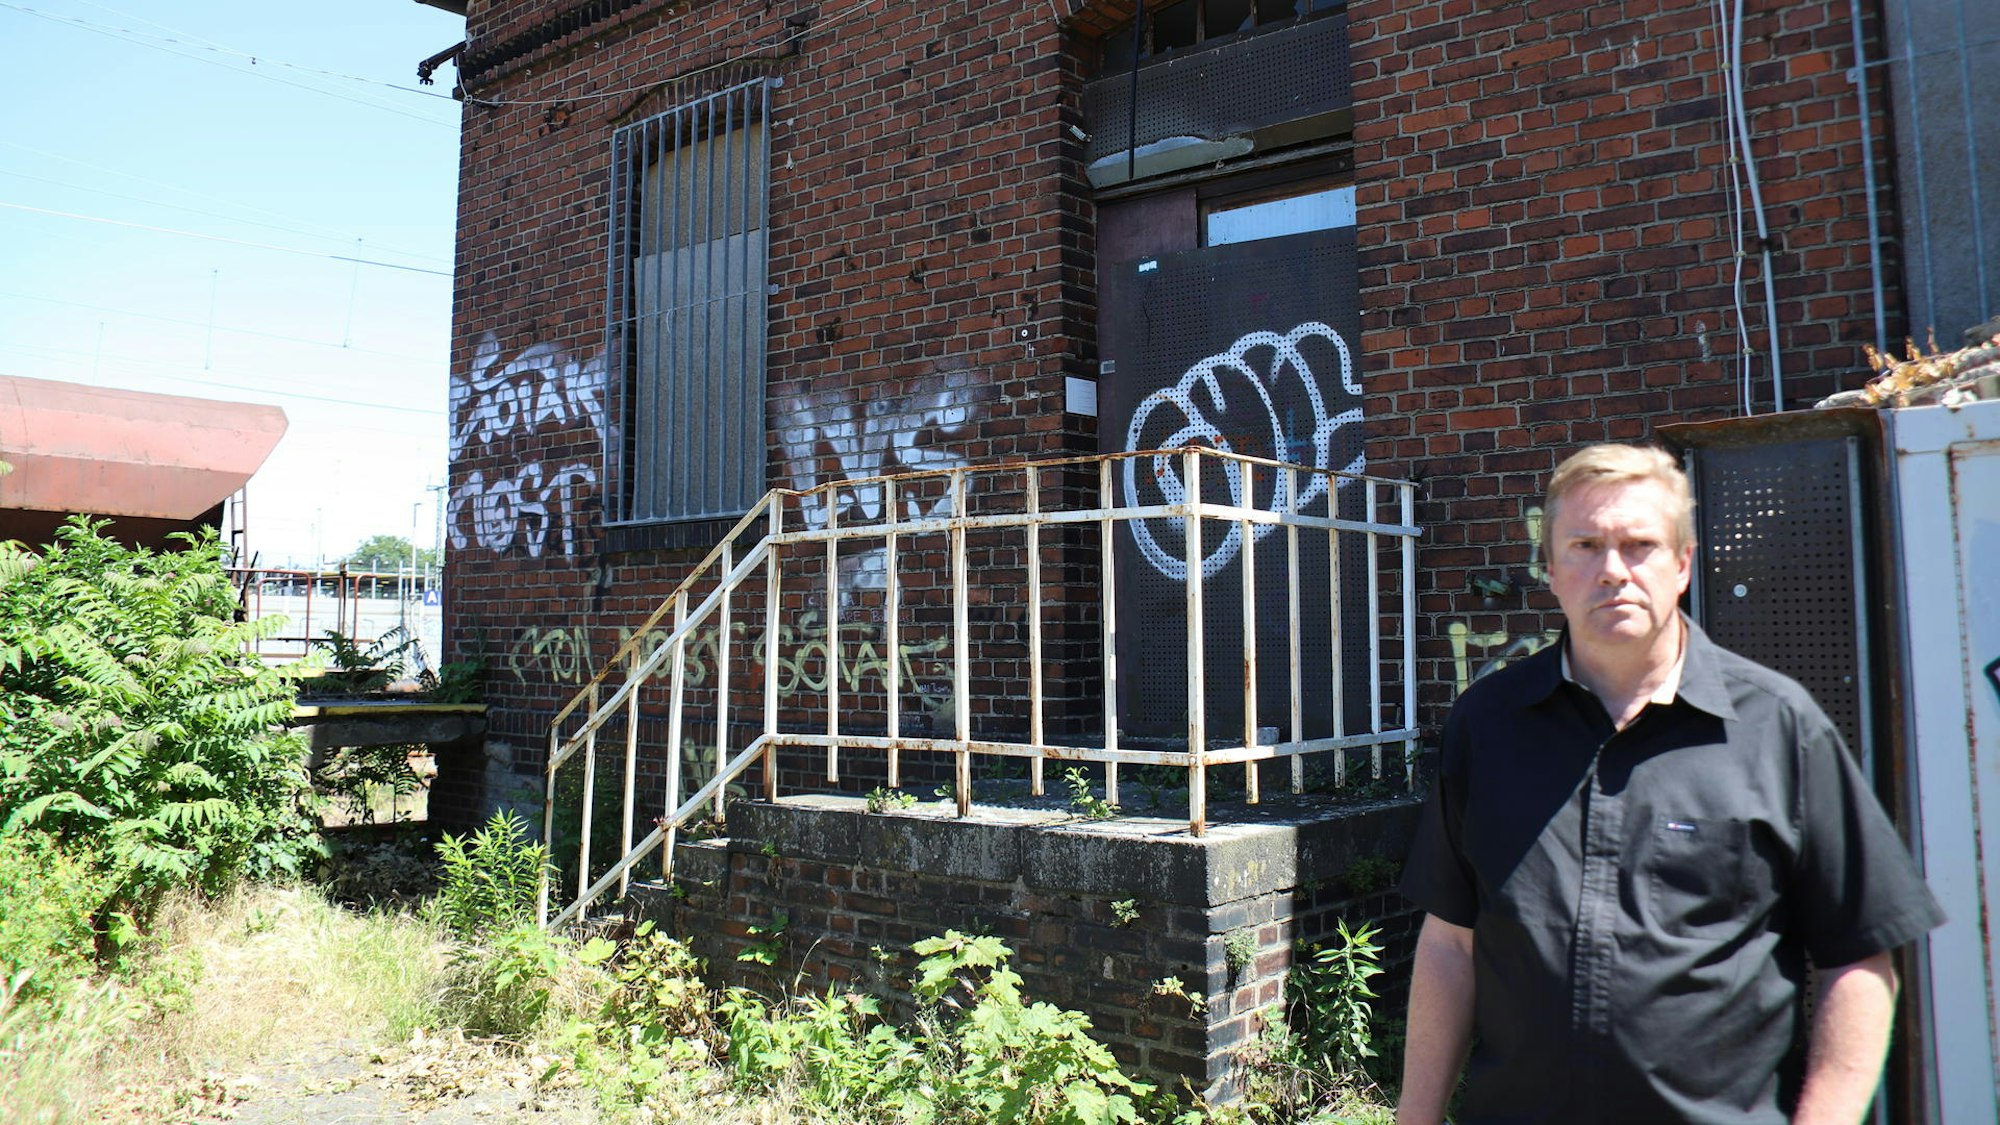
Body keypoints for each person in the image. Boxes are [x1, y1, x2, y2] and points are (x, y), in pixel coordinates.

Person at [1395, 443, 1943, 1125]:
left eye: (1640, 546)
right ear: (1551, 569)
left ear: (1683, 564)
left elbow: (1859, 956)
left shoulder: (1778, 727)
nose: (1612, 570)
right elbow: (1451, 941)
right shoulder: (1487, 724)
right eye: (1585, 545)